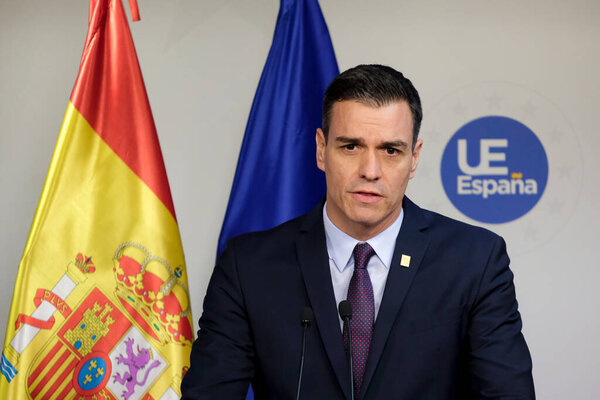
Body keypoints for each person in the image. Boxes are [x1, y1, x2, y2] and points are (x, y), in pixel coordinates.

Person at [181, 65, 535, 399]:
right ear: (321, 150)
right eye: (350, 146)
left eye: (391, 150)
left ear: (414, 158)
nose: (370, 170)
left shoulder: (474, 260)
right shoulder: (249, 266)